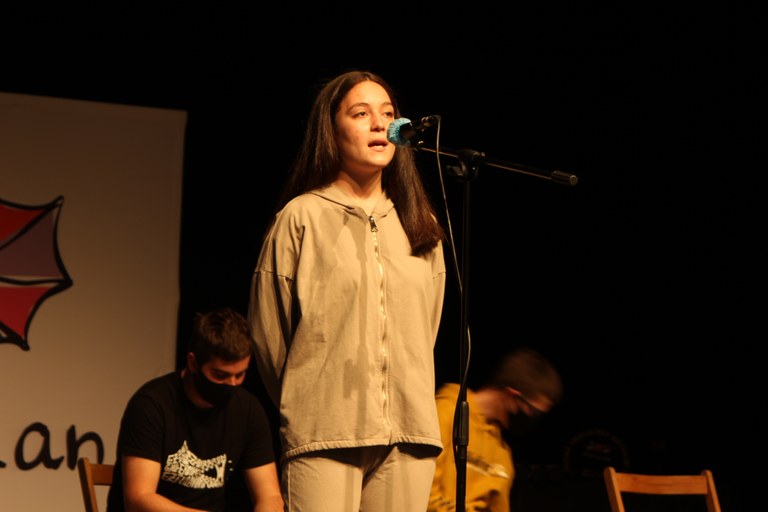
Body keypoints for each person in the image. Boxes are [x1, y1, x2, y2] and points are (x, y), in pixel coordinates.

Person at [247, 69, 448, 511]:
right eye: (361, 114)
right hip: (325, 431)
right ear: (331, 130)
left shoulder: (420, 223)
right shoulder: (301, 217)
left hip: (410, 433)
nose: (380, 124)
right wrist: (306, 398)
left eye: (388, 114)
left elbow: (426, 328)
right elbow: (268, 334)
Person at [106, 307, 284, 512]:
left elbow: (270, 496)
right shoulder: (151, 405)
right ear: (193, 362)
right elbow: (139, 500)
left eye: (240, 375)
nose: (232, 385)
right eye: (220, 375)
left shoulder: (248, 410)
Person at [428, 347, 563, 512]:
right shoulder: (446, 413)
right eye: (534, 412)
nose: (534, 421)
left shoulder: (502, 455)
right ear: (512, 395)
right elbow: (423, 491)